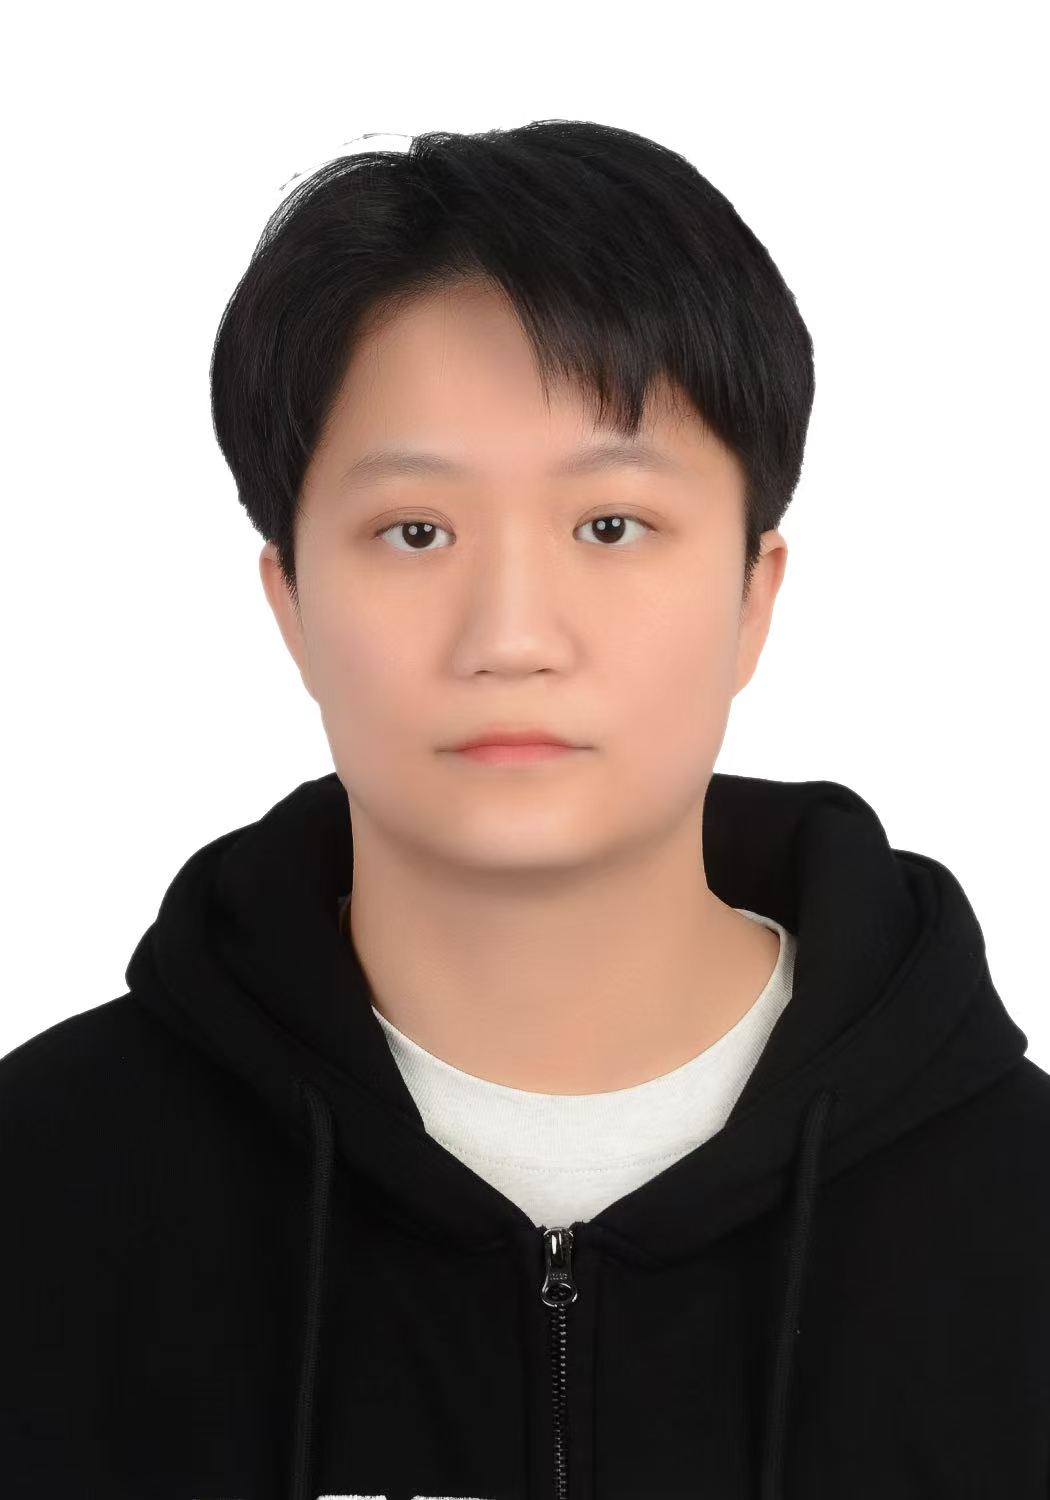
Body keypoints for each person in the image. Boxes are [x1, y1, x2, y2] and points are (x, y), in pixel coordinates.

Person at [2, 119, 1047, 1500]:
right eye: (414, 532)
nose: (509, 635)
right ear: (290, 604)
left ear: (753, 596)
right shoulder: (42, 1191)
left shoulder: (1020, 1215)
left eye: (610, 526)